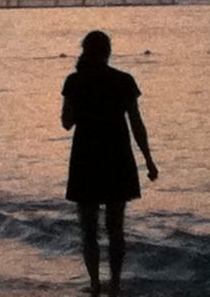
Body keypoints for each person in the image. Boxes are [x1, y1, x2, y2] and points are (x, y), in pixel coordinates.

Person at [61, 30, 158, 296]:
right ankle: (114, 284)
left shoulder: (74, 81)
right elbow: (137, 124)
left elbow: (66, 122)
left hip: (85, 159)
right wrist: (148, 160)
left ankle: (94, 283)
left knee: (88, 230)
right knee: (116, 229)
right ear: (108, 51)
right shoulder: (124, 81)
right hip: (118, 158)